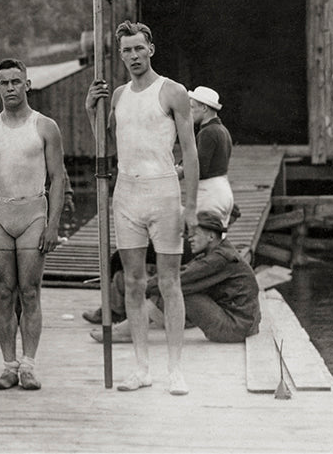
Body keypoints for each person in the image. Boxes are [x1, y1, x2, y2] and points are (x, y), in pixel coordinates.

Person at [85, 20, 199, 396]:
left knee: (168, 281)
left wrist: (192, 207)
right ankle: (141, 368)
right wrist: (91, 111)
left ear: (150, 49)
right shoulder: (117, 95)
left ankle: (176, 370)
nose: (132, 56)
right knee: (133, 282)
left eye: (138, 49)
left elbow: (191, 153)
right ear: (119, 55)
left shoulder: (172, 91)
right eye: (125, 51)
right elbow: (105, 147)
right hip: (127, 193)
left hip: (163, 191)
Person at [0, 59, 65, 391]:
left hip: (33, 211)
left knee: (30, 292)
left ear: (27, 85)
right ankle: (9, 365)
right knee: (3, 292)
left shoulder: (45, 126)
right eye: (4, 83)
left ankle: (29, 365)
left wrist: (52, 225)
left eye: (16, 82)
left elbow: (59, 177)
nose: (10, 88)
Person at [91, 210, 260, 343]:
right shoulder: (217, 253)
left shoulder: (220, 259)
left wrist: (138, 286)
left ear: (211, 236)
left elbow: (179, 279)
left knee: (174, 289)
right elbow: (183, 271)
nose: (190, 239)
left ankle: (127, 331)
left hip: (235, 327)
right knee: (171, 288)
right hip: (242, 324)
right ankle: (129, 329)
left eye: (195, 234)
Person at [185, 86, 235, 229]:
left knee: (203, 240)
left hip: (209, 193)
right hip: (223, 189)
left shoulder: (208, 132)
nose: (189, 112)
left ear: (204, 108)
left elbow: (199, 168)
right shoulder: (222, 130)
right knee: (217, 239)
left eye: (192, 107)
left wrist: (180, 172)